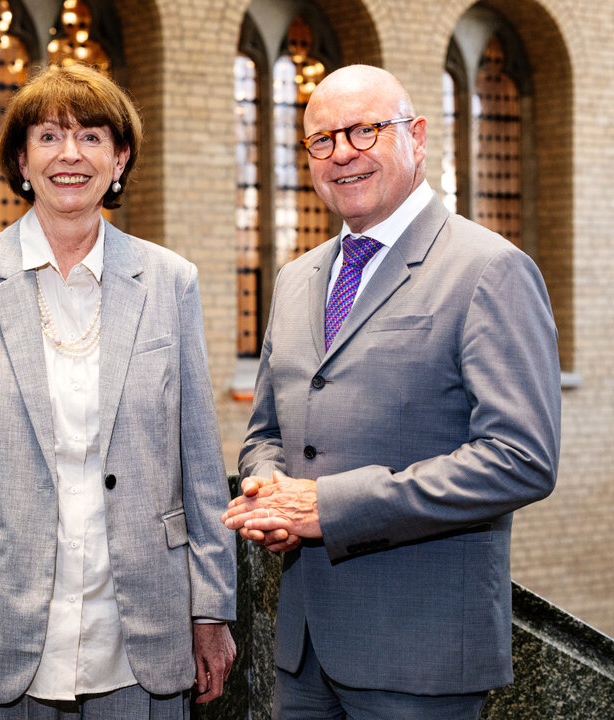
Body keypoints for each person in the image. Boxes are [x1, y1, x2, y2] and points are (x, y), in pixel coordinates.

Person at [222, 64, 560, 719]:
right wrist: (269, 492)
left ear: (418, 137)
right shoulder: (295, 280)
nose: (342, 153)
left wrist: (328, 508)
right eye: (322, 140)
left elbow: (521, 459)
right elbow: (268, 432)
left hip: (419, 655)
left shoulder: (489, 269)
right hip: (303, 653)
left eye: (364, 131)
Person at [0, 63, 237, 719]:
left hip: (143, 625)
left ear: (120, 158)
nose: (70, 155)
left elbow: (199, 460)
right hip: (3, 622)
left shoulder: (171, 281)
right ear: (21, 161)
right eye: (49, 137)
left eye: (91, 137)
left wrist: (212, 609)